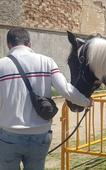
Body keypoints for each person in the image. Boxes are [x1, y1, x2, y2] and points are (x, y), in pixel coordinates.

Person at [0, 27, 92, 170]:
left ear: (9, 44)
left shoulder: (1, 65)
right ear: (29, 43)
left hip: (9, 136)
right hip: (40, 135)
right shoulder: (46, 62)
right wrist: (86, 102)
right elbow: (66, 89)